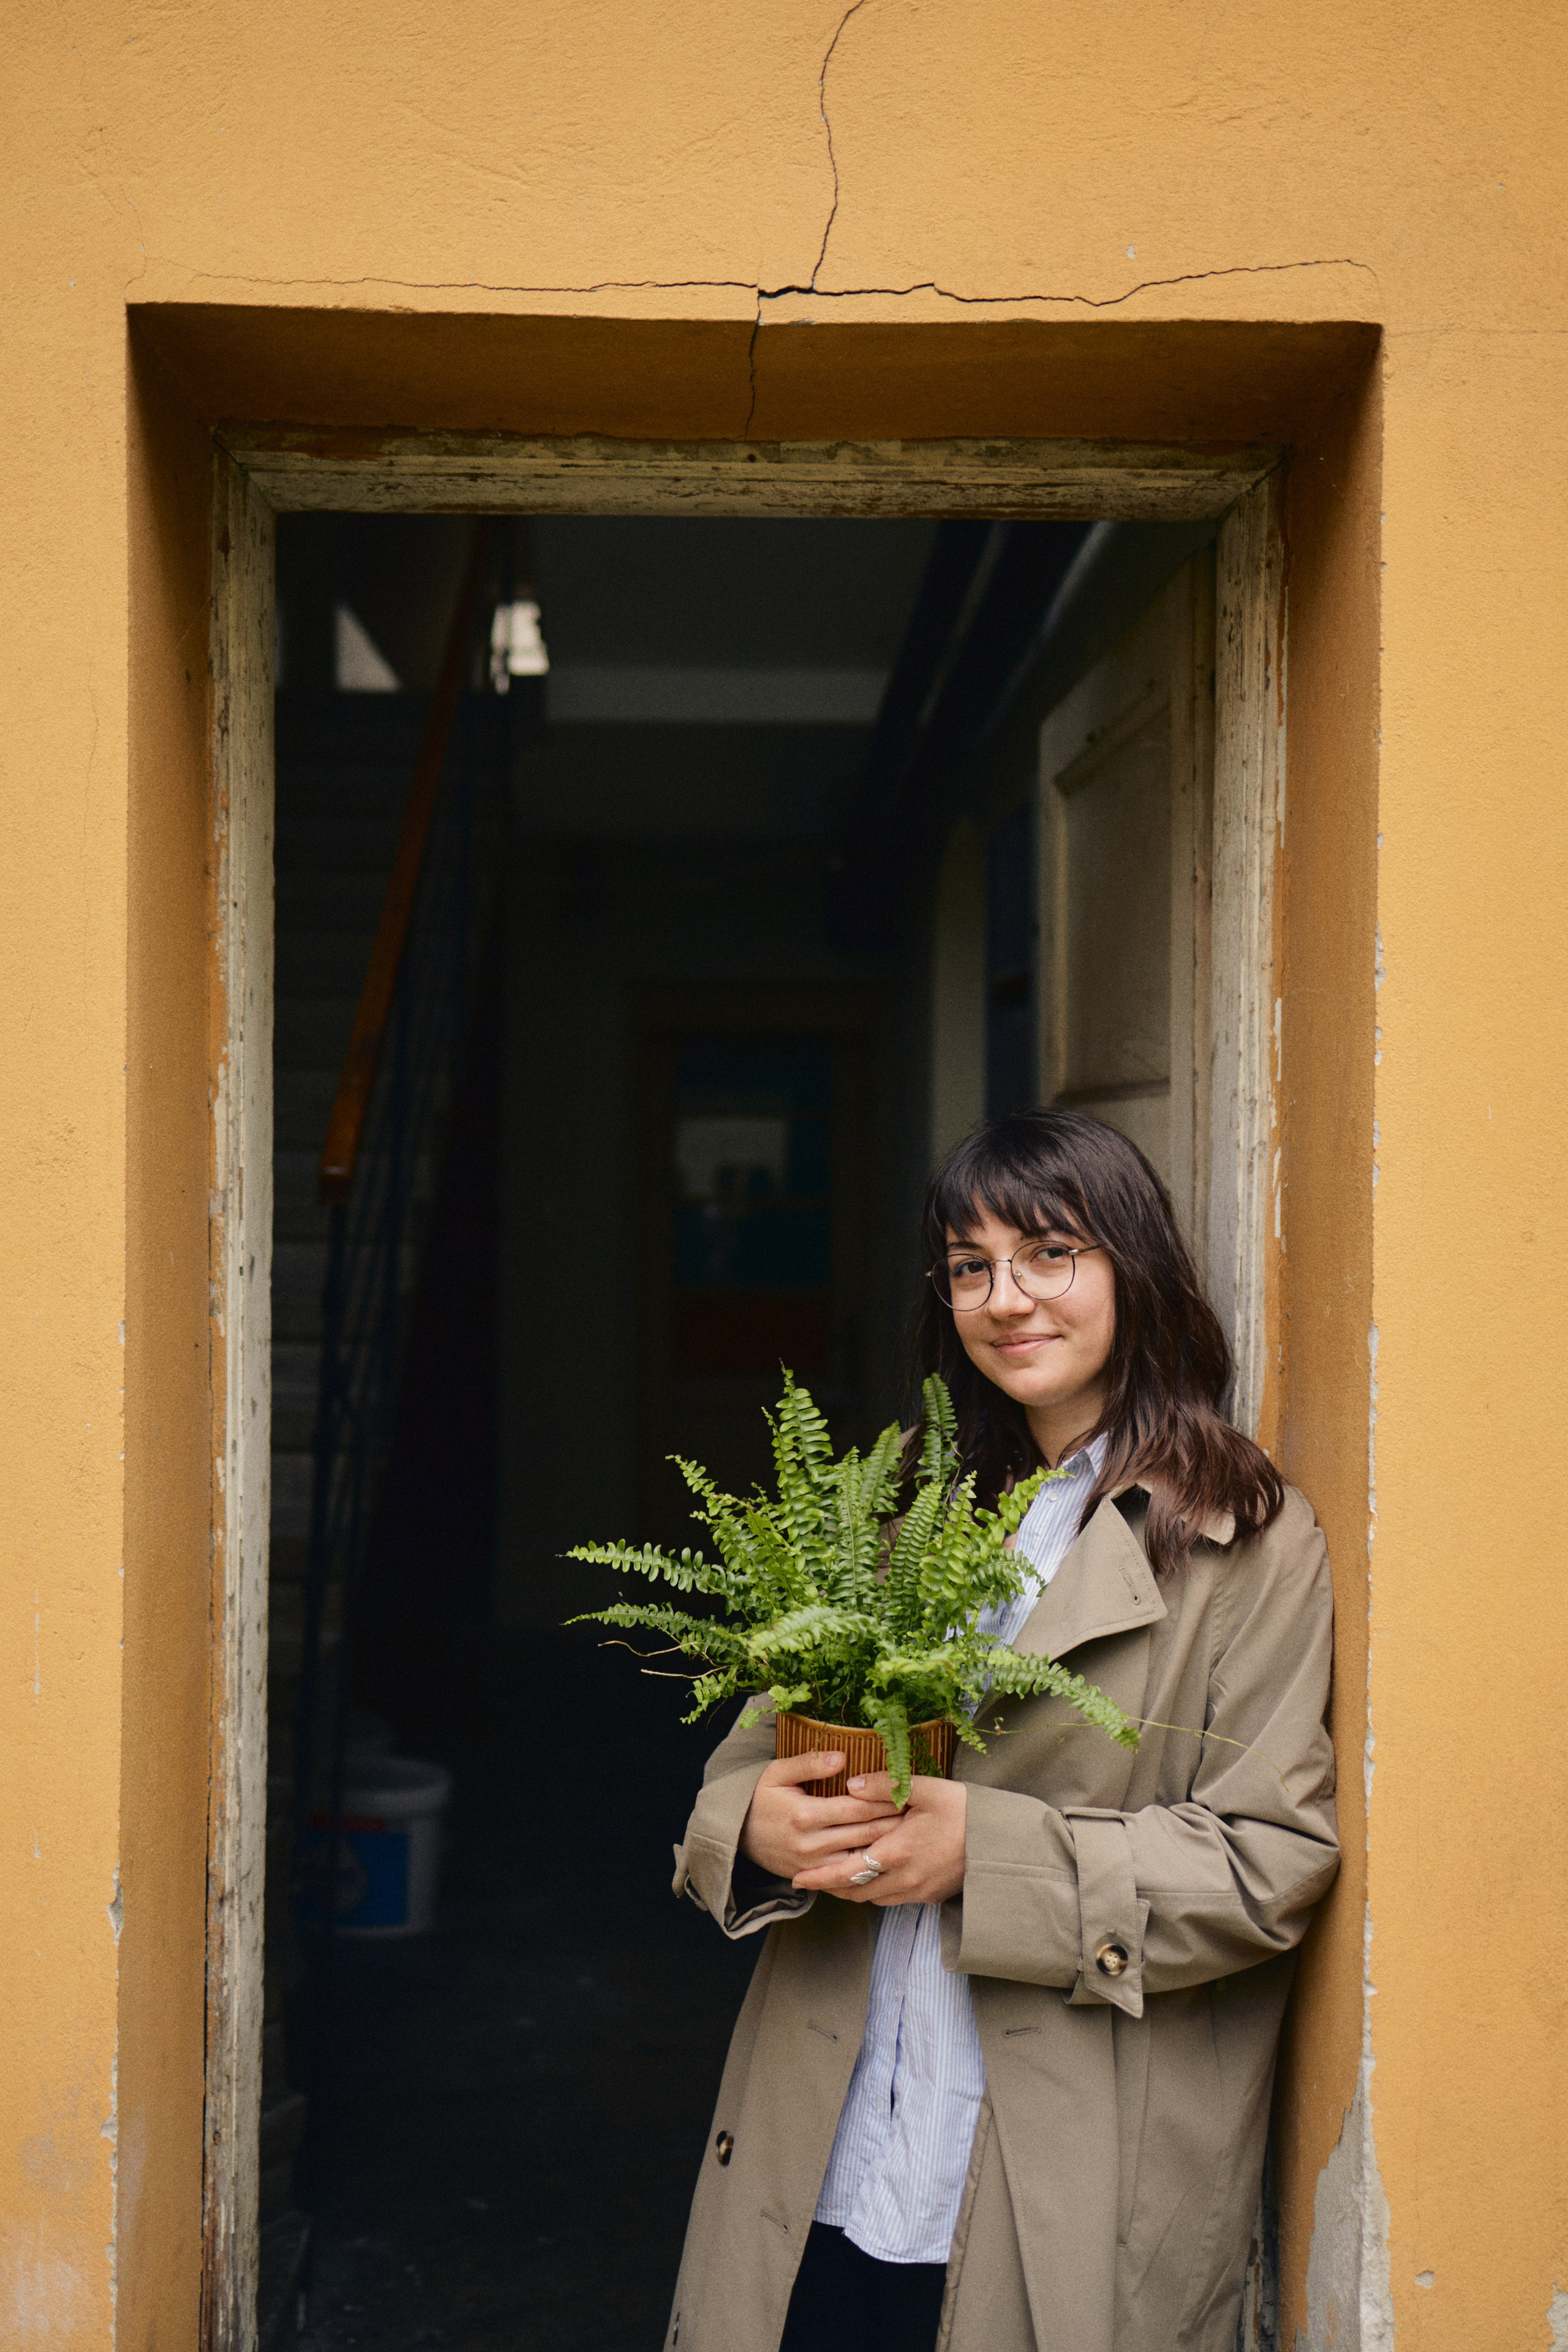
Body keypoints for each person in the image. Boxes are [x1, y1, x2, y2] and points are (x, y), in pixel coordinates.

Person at [666, 1109, 1338, 2352]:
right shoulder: (895, 1506)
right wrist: (753, 1824)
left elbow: (1266, 1865)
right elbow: (750, 1760)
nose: (1005, 1297)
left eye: (1048, 1253)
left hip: (1052, 2165)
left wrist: (988, 1855)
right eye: (968, 1266)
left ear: (1133, 1269)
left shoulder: (1244, 1536)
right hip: (827, 2145)